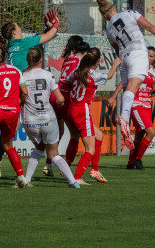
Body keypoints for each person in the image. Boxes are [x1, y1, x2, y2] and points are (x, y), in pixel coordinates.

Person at [0, 11, 60, 174]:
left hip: (8, 89)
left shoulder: (9, 45)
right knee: (12, 127)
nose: (21, 29)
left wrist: (45, 29)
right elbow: (48, 36)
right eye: (19, 27)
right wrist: (55, 25)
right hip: (23, 88)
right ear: (15, 32)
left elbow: (36, 38)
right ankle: (8, 159)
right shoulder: (24, 43)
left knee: (3, 123)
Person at [96, 0, 155, 151]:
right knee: (132, 89)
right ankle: (124, 120)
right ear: (114, 7)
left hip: (124, 58)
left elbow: (117, 50)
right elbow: (148, 26)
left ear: (104, 15)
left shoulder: (108, 30)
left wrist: (123, 62)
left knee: (128, 89)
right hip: (137, 53)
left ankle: (124, 120)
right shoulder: (129, 13)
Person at [21, 47, 80, 188]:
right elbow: (60, 99)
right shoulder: (47, 75)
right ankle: (73, 182)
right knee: (53, 154)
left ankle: (27, 180)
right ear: (41, 60)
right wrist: (59, 101)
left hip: (30, 119)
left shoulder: (22, 76)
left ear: (27, 60)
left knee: (39, 148)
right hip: (47, 118)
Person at [67, 48, 120, 185]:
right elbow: (109, 76)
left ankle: (95, 169)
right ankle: (77, 177)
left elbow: (67, 81)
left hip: (72, 108)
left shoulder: (76, 72)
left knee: (99, 136)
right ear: (96, 62)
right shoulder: (93, 75)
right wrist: (115, 64)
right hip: (81, 110)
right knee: (89, 149)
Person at [0, 46, 29, 188]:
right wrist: (19, 103)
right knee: (8, 145)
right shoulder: (16, 71)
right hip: (12, 111)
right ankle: (20, 177)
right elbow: (24, 92)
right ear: (6, 56)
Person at [108, 46, 155, 170]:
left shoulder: (153, 71)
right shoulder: (137, 67)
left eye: (151, 56)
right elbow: (125, 83)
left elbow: (148, 90)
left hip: (147, 105)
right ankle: (138, 159)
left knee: (139, 134)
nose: (149, 58)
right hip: (136, 104)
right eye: (147, 55)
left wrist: (154, 90)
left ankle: (130, 163)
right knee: (151, 132)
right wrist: (114, 96)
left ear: (154, 58)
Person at [52, 36, 90, 170]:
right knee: (76, 135)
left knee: (58, 132)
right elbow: (72, 80)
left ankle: (48, 164)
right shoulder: (81, 61)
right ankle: (67, 167)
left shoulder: (67, 59)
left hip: (56, 94)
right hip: (67, 98)